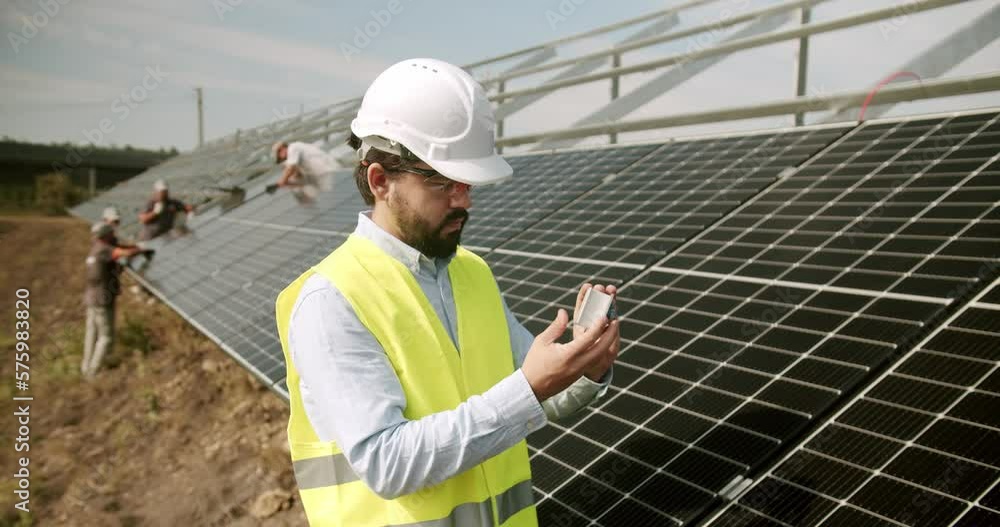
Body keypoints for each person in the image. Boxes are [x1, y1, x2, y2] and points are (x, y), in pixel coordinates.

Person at [275, 58, 620, 527]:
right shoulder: (332, 300)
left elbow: (544, 394)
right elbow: (386, 463)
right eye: (442, 182)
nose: (464, 199)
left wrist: (585, 368)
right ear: (381, 181)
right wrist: (528, 389)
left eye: (468, 182)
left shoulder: (472, 274)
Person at [82, 222, 144, 378]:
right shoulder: (104, 249)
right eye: (111, 233)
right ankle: (93, 372)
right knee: (106, 337)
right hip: (102, 299)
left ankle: (86, 367)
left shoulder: (95, 248)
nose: (114, 235)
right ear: (105, 235)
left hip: (91, 297)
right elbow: (122, 253)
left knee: (92, 333)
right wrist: (139, 249)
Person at [270, 140, 335, 204]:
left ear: (282, 149)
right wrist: (286, 183)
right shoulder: (295, 160)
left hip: (328, 172)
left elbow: (290, 168)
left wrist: (282, 182)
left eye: (280, 158)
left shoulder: (293, 148)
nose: (282, 160)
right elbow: (301, 179)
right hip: (322, 176)